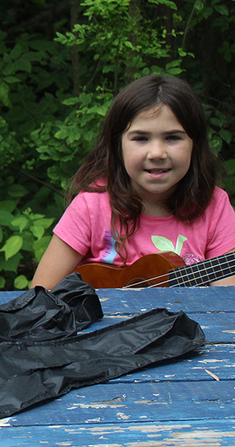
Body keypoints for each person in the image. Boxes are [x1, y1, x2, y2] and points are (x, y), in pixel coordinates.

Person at [32, 74, 235, 290]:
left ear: (195, 144)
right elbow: (40, 294)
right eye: (141, 138)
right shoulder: (92, 206)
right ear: (117, 145)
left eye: (173, 138)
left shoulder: (213, 205)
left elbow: (226, 302)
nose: (157, 153)